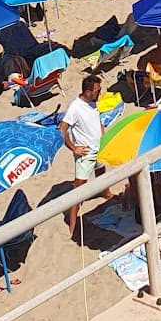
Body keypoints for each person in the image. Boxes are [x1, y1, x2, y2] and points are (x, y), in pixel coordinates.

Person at [61, 74, 106, 235]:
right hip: (85, 153)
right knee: (78, 191)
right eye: (97, 90)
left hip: (98, 147)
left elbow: (97, 119)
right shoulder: (75, 107)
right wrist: (73, 148)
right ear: (88, 91)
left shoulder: (93, 103)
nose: (99, 92)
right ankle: (72, 224)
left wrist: (103, 134)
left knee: (101, 170)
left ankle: (105, 192)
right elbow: (62, 129)